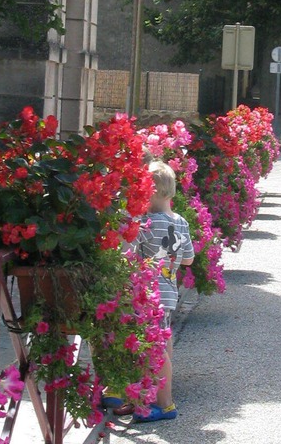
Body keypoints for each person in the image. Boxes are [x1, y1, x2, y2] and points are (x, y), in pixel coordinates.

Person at [108, 160, 194, 422]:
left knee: (153, 350)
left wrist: (124, 226)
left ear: (150, 192)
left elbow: (126, 254)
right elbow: (188, 259)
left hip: (149, 295)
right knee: (162, 346)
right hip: (168, 293)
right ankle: (143, 399)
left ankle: (165, 405)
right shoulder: (180, 222)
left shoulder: (145, 223)